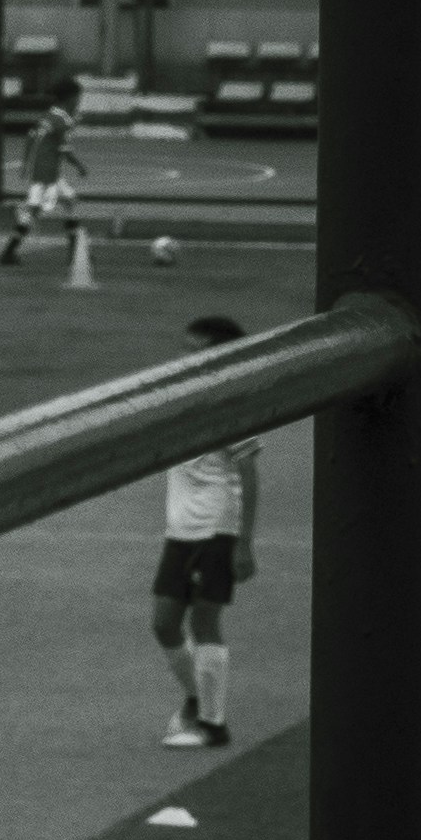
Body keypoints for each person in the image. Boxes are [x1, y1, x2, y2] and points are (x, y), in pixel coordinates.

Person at [155, 320, 257, 755]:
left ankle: (213, 726)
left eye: (192, 350)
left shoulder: (230, 405)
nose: (182, 357)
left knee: (203, 622)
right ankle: (197, 699)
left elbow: (249, 475)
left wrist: (243, 542)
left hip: (215, 530)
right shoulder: (184, 399)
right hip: (180, 531)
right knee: (163, 625)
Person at [0, 71, 85, 269]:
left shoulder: (49, 115)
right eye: (78, 97)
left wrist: (28, 167)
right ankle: (8, 252)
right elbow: (64, 149)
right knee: (34, 211)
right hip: (47, 173)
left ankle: (76, 253)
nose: (79, 101)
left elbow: (34, 140)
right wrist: (79, 166)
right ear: (71, 98)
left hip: (43, 170)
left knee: (69, 201)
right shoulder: (63, 120)